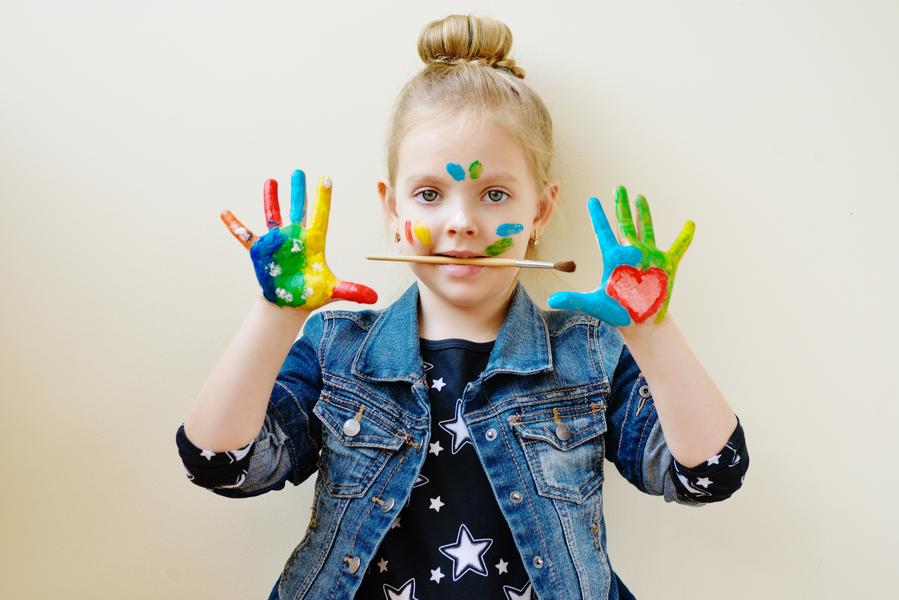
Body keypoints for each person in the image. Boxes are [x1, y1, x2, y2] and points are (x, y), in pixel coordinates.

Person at [176, 14, 749, 600]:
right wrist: (277, 316)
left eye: (494, 195)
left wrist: (654, 332)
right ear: (392, 210)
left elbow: (709, 475)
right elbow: (218, 462)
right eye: (428, 194)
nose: (461, 222)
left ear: (541, 211)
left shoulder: (589, 354)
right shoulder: (335, 348)